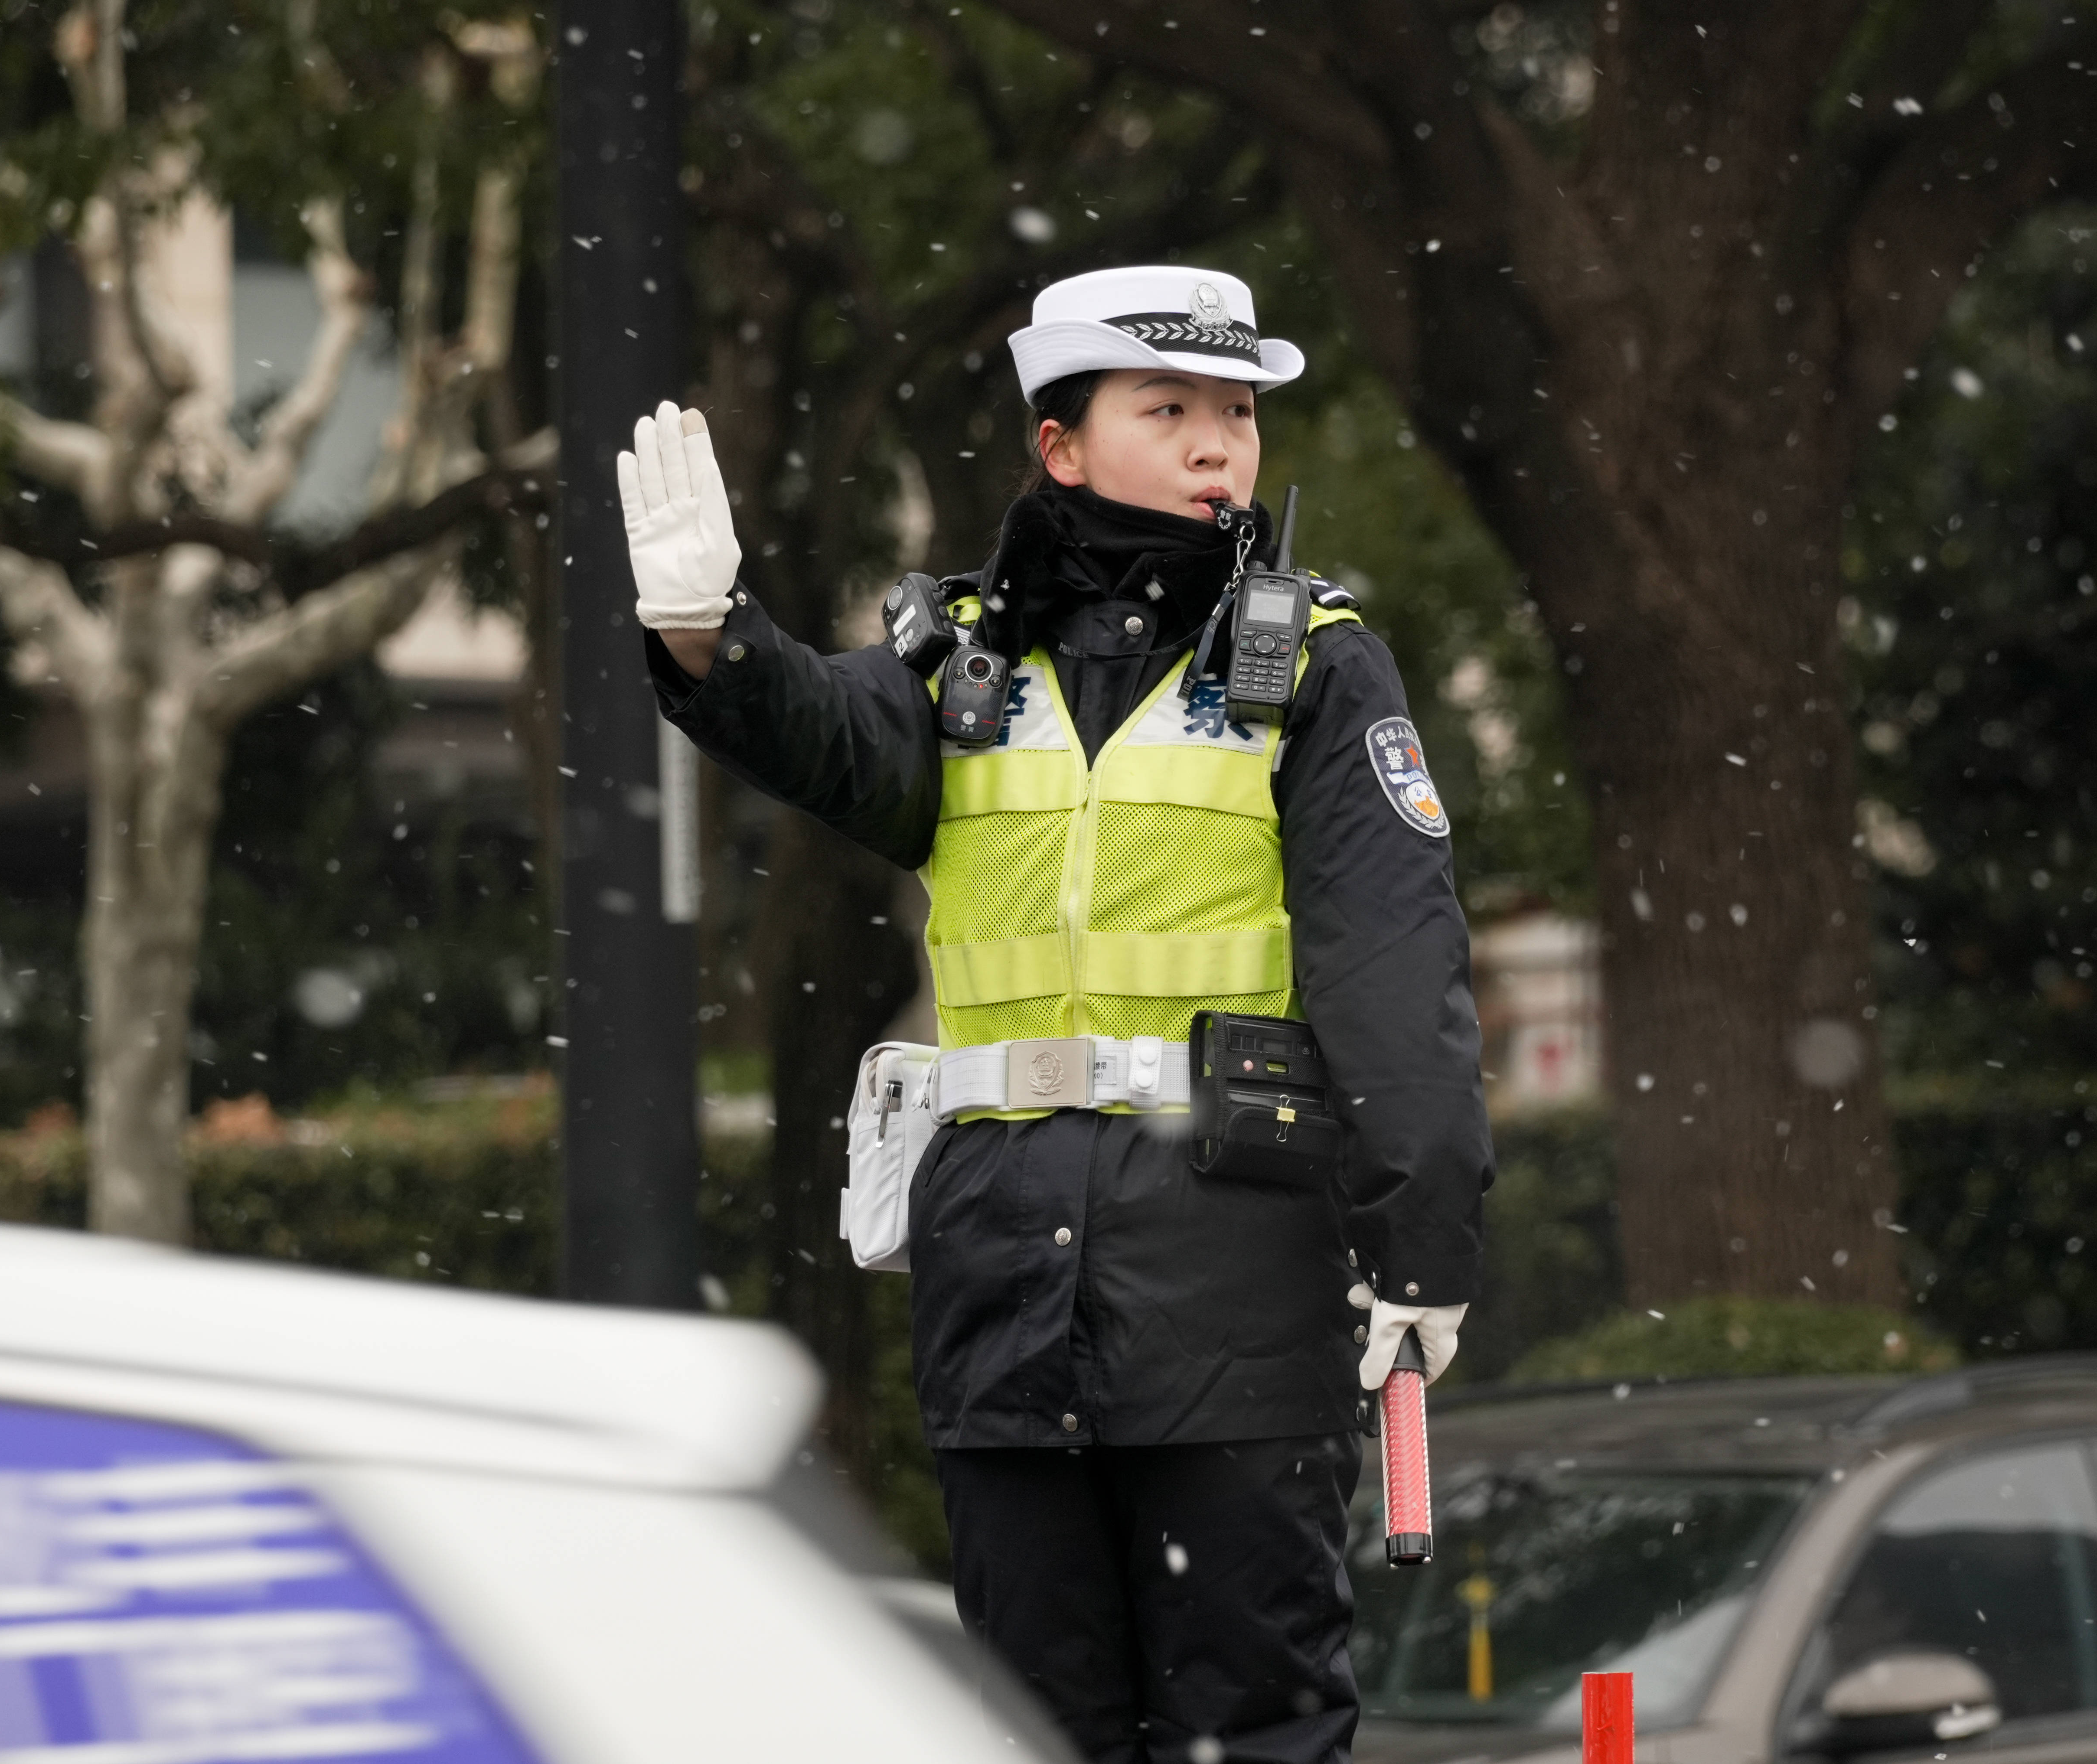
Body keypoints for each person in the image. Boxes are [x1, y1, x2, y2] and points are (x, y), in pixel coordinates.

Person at [620, 264, 1490, 1764]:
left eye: (1239, 411)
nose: (1224, 443)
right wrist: (712, 633)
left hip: (1238, 1290)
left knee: (1255, 1730)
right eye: (1173, 410)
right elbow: (826, 736)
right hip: (1006, 1302)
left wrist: (1424, 1252)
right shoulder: (963, 659)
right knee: (1033, 1730)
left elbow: (1396, 974)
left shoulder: (1324, 666)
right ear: (1061, 446)